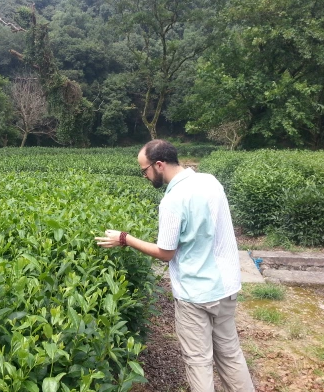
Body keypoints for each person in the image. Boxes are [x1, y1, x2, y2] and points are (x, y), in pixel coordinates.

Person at [95, 139, 254, 392]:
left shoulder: (172, 200)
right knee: (230, 354)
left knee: (198, 361)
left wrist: (125, 239)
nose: (145, 175)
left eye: (144, 170)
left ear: (159, 165)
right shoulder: (210, 182)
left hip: (196, 295)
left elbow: (165, 253)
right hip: (226, 287)